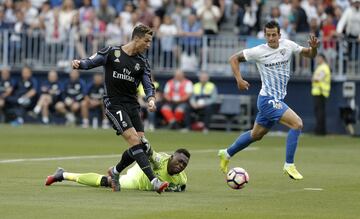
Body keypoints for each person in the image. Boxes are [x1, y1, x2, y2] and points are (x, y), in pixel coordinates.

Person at [71, 24, 169, 193]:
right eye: (146, 41)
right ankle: (154, 181)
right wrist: (80, 64)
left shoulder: (142, 62)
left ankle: (115, 172)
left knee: (140, 146)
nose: (148, 45)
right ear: (136, 38)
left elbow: (148, 85)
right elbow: (92, 61)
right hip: (113, 104)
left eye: (150, 42)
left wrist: (151, 99)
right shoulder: (112, 52)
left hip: (132, 105)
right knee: (134, 141)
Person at [218, 20, 319, 180]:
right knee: (297, 123)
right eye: (268, 35)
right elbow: (233, 59)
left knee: (256, 134)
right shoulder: (258, 51)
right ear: (265, 35)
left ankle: (227, 153)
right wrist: (239, 79)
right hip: (267, 100)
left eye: (274, 35)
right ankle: (289, 165)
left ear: (280, 35)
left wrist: (313, 48)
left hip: (276, 99)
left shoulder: (288, 45)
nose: (271, 38)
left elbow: (310, 54)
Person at [45, 148, 190, 192]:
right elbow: (151, 154)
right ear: (171, 157)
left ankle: (61, 174)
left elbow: (182, 186)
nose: (181, 165)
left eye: (184, 164)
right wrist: (147, 147)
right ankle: (116, 169)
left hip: (138, 185)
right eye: (179, 161)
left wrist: (176, 189)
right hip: (139, 175)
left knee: (105, 182)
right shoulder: (161, 160)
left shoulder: (182, 178)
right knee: (138, 150)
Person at [311, 54, 331, 135]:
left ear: (322, 59)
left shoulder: (324, 67)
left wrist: (314, 79)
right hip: (318, 92)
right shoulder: (320, 67)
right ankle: (320, 130)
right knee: (319, 112)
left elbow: (318, 79)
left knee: (320, 113)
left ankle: (320, 131)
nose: (317, 60)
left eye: (318, 58)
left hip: (321, 92)